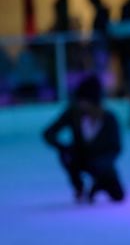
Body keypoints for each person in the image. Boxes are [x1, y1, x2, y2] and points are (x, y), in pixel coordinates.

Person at [42, 75, 124, 203]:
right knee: (67, 157)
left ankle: (98, 184)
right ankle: (79, 187)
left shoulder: (109, 119)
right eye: (80, 101)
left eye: (85, 102)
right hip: (80, 158)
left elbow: (116, 147)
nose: (81, 105)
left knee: (118, 195)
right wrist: (64, 148)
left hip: (102, 163)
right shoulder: (74, 114)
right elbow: (48, 133)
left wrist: (102, 168)